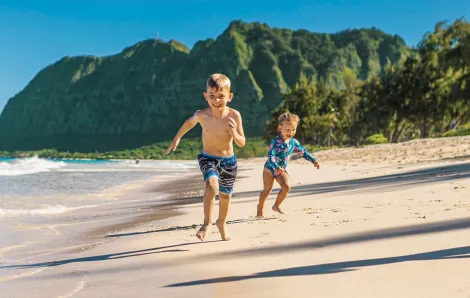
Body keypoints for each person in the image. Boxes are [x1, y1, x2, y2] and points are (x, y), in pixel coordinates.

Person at [166, 73, 246, 241]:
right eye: (212, 96)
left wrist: (233, 133)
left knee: (225, 197)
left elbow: (242, 142)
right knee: (211, 186)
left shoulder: (234, 116)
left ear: (229, 97)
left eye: (220, 97)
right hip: (208, 158)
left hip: (228, 161)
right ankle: (207, 222)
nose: (216, 101)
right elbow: (189, 122)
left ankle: (221, 223)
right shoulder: (202, 115)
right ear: (206, 96)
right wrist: (177, 137)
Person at [256, 112, 320, 218]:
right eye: (287, 130)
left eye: (293, 130)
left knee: (286, 186)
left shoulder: (293, 143)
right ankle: (260, 208)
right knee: (267, 191)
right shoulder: (276, 142)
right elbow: (271, 156)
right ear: (280, 128)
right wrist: (276, 167)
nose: (290, 132)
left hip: (281, 170)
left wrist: (313, 160)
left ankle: (276, 205)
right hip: (269, 168)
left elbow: (303, 152)